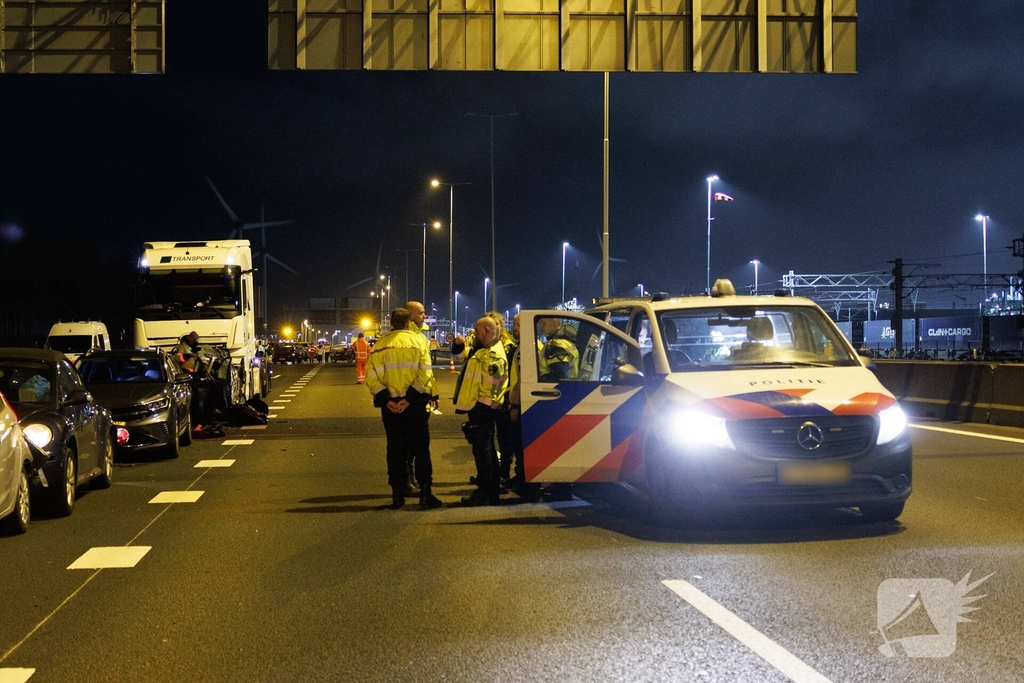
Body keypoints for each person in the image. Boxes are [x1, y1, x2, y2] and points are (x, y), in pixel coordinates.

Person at [365, 308, 441, 510]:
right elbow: (425, 373)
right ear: (408, 323)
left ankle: (397, 495)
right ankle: (425, 493)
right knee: (421, 448)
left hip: (390, 406)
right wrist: (409, 399)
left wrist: (386, 399)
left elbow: (371, 376)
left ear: (391, 323)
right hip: (415, 405)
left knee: (395, 448)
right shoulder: (418, 342)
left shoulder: (379, 345)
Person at [453, 316, 509, 506]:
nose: (474, 334)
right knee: (485, 450)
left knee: (483, 452)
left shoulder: (493, 354)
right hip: (480, 407)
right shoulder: (485, 350)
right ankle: (489, 490)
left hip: (482, 408)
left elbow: (495, 383)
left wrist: (482, 404)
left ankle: (486, 492)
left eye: (477, 330)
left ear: (486, 330)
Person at [537, 316, 580, 381]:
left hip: (555, 386)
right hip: (568, 384)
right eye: (540, 323)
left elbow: (559, 375)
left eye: (544, 323)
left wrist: (543, 379)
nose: (541, 326)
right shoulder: (563, 342)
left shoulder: (557, 345)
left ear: (554, 323)